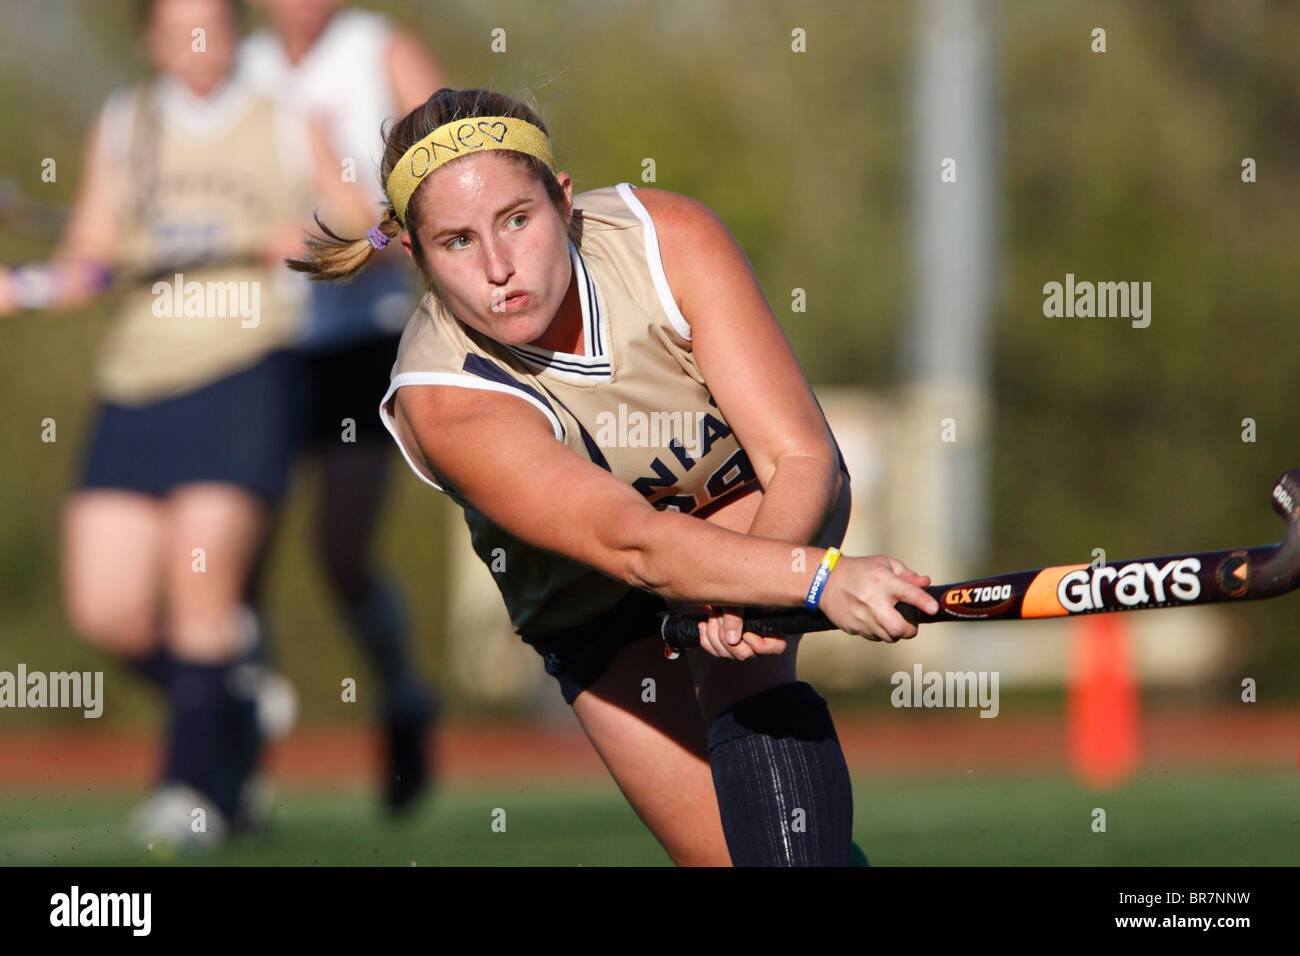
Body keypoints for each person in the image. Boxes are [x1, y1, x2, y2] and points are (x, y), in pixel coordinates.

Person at [289, 87, 940, 866]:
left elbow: (800, 457)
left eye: (517, 220)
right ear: (418, 258)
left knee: (748, 687)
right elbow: (634, 545)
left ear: (563, 202)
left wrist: (766, 588)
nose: (500, 268)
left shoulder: (666, 240)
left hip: (743, 505)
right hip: (590, 604)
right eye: (457, 242)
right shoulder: (444, 400)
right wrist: (818, 580)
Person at [0, 0, 368, 845]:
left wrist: (306, 234)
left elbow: (363, 225)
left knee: (202, 590)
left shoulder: (283, 120)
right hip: (136, 383)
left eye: (211, 24)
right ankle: (230, 704)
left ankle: (192, 788)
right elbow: (92, 258)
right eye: (176, 29)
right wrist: (21, 290)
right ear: (149, 40)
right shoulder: (126, 124)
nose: (197, 45)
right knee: (109, 610)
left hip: (246, 372)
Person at [241, 0, 446, 812]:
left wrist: (346, 230)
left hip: (364, 341)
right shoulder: (239, 67)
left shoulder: (380, 49)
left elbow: (446, 186)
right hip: (259, 346)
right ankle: (232, 762)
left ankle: (403, 697)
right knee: (231, 558)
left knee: (341, 554)